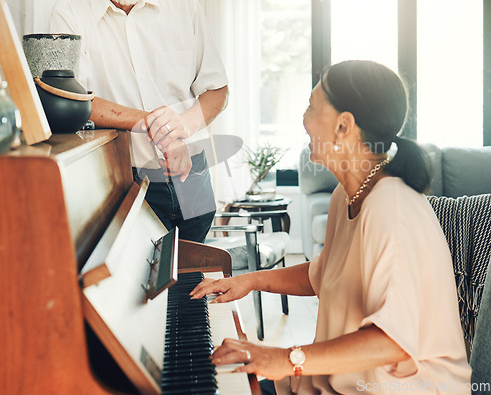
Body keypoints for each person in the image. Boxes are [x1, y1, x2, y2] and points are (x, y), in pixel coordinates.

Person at [191, 60, 472, 394]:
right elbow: (322, 274)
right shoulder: (346, 195)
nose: (304, 118)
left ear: (343, 126)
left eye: (312, 106)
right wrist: (247, 281)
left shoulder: (391, 208)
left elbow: (394, 342)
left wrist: (285, 358)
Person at [50, 0, 229, 243]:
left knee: (192, 280)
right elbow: (73, 100)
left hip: (194, 171)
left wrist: (182, 127)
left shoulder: (184, 6)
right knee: (141, 289)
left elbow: (217, 90)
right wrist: (156, 126)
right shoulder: (69, 18)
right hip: (127, 179)